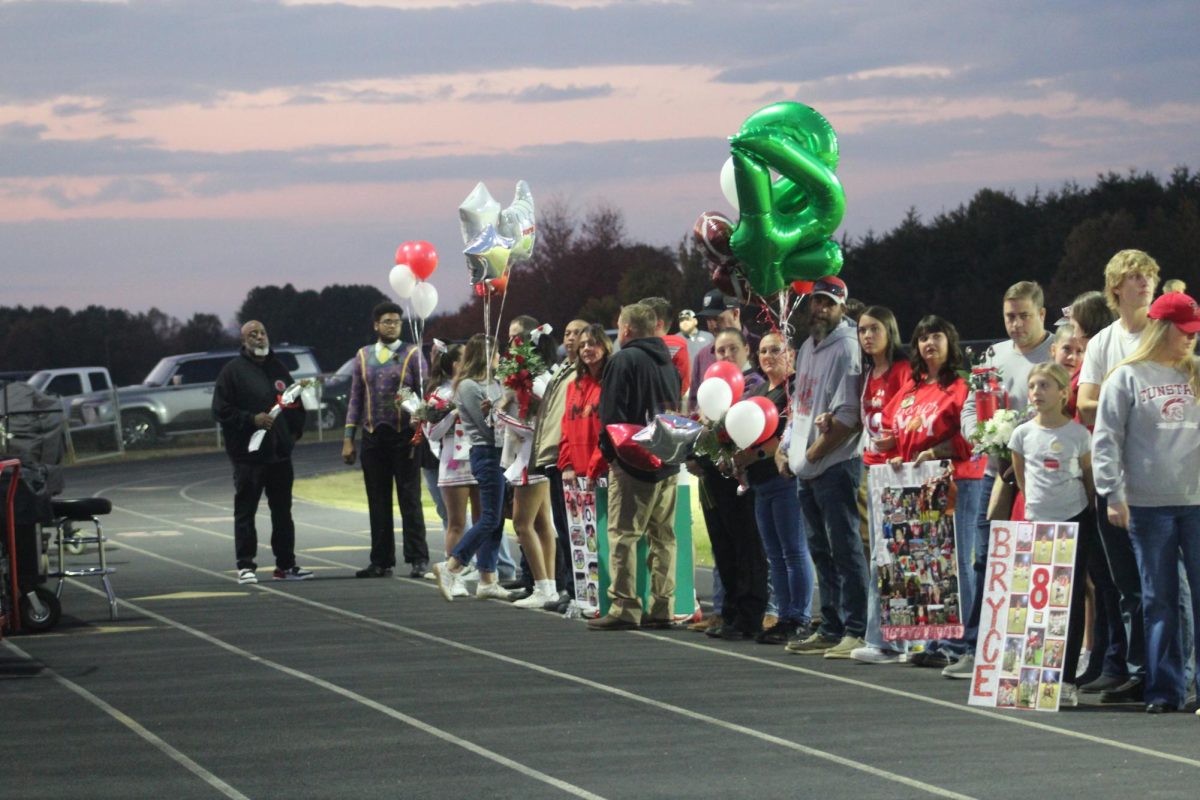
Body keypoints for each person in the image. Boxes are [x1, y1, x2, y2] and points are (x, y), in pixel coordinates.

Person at [1092, 291, 1200, 714]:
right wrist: (1113, 494)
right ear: (1162, 328)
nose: (1191, 338)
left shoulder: (1196, 372)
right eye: (1184, 331)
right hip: (1147, 505)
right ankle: (1164, 689)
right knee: (1158, 600)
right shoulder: (1127, 377)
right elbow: (1106, 440)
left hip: (1195, 501)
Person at [950, 281, 1054, 677]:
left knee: (1033, 563)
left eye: (1024, 315)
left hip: (1041, 480)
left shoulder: (1056, 354)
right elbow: (971, 408)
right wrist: (983, 438)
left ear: (1042, 314)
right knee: (986, 560)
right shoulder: (994, 355)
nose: (1016, 324)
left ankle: (1029, 647)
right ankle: (978, 647)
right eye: (1010, 316)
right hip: (996, 475)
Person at [1075, 249, 1161, 703]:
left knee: (1165, 585)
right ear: (1115, 289)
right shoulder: (1104, 341)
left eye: (1149, 275)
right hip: (1114, 476)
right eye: (1134, 277)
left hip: (1160, 475)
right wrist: (1123, 403)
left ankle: (1168, 672)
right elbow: (1084, 403)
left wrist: (1116, 404)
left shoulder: (1165, 335)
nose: (1144, 282)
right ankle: (1137, 669)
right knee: (1126, 584)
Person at [875, 315, 985, 667]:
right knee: (931, 567)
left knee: (957, 562)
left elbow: (969, 438)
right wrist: (893, 452)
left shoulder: (961, 386)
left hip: (959, 480)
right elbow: (896, 430)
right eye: (922, 338)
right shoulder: (912, 388)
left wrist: (936, 452)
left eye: (936, 336)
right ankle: (937, 638)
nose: (929, 344)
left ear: (950, 342)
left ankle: (963, 642)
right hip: (919, 485)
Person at [777, 276, 869, 659]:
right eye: (816, 302)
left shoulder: (848, 348)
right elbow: (799, 403)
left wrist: (814, 452)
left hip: (835, 464)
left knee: (844, 548)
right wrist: (785, 447)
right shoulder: (807, 348)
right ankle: (830, 625)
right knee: (820, 550)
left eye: (829, 303)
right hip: (807, 465)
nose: (821, 309)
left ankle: (855, 628)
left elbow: (850, 414)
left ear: (842, 308)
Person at [588, 303, 683, 630]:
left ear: (626, 329)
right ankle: (663, 605)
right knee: (664, 537)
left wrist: (612, 457)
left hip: (634, 462)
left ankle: (625, 605)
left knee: (624, 534)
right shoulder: (669, 363)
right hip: (667, 459)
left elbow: (611, 416)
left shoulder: (623, 360)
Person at [1008, 362, 1096, 706]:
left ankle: (1066, 679)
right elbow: (1021, 478)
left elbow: (1088, 481)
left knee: (1069, 603)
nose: (1037, 393)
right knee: (1035, 603)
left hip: (1074, 521)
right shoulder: (1022, 434)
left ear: (1063, 393)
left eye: (1045, 386)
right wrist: (1033, 512)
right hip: (1037, 524)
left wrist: (1086, 514)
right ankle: (1032, 676)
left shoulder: (1078, 435)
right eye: (1033, 386)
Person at [212, 320, 313, 584]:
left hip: (279, 455)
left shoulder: (279, 368)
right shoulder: (232, 372)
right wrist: (250, 419)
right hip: (248, 456)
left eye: (263, 333)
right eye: (252, 334)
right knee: (246, 511)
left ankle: (286, 566)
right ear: (243, 341)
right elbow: (220, 411)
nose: (259, 338)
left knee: (283, 511)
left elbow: (296, 403)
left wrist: (292, 436)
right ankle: (245, 565)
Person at [734, 331, 812, 644]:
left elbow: (790, 434)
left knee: (793, 550)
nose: (768, 356)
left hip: (785, 479)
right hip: (761, 482)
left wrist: (752, 454)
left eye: (775, 350)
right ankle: (783, 615)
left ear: (790, 354)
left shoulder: (795, 389)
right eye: (763, 351)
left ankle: (800, 617)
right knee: (775, 555)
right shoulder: (761, 391)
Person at [691, 328, 769, 640]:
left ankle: (750, 615)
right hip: (712, 478)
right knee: (722, 547)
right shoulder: (711, 388)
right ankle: (731, 613)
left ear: (746, 350)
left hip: (742, 481)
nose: (725, 356)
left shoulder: (754, 386)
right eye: (720, 351)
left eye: (731, 349)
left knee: (746, 548)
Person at [342, 302, 429, 579]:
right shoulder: (363, 356)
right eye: (387, 321)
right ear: (376, 325)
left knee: (410, 498)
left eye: (397, 321)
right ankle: (381, 560)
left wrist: (421, 418)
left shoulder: (412, 354)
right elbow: (356, 397)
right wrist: (348, 438)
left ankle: (418, 558)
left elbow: (426, 392)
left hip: (405, 436)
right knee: (377, 500)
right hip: (372, 436)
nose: (393, 325)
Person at [851, 306, 910, 664]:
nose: (867, 336)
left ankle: (893, 640)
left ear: (889, 330)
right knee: (877, 555)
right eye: (862, 330)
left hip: (899, 472)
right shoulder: (869, 373)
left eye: (874, 329)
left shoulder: (903, 370)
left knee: (893, 556)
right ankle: (884, 637)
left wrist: (896, 438)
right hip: (873, 470)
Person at [433, 334, 512, 601]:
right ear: (486, 356)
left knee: (496, 519)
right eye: (497, 353)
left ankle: (487, 578)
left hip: (501, 455)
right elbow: (487, 429)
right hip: (487, 454)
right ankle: (453, 564)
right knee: (488, 517)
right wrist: (503, 407)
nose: (500, 358)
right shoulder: (467, 386)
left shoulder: (493, 382)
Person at [497, 323, 561, 609]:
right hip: (539, 458)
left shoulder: (533, 383)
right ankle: (549, 585)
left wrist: (501, 415)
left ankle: (544, 586)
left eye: (517, 349)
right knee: (542, 524)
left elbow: (535, 428)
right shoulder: (544, 378)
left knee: (523, 525)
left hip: (531, 459)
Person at [532, 318, 589, 610]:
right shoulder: (563, 369)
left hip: (568, 458)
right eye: (567, 333)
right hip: (554, 455)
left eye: (577, 333)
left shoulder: (584, 371)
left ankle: (577, 591)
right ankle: (571, 587)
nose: (570, 338)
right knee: (564, 527)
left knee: (573, 527)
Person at [424, 344, 479, 598]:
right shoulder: (441, 394)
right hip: (454, 464)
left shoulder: (478, 387)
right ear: (456, 364)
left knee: (484, 522)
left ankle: (488, 574)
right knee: (456, 523)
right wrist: (453, 414)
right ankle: (454, 577)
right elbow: (432, 433)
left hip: (480, 460)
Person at [558, 324, 611, 488]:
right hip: (575, 474)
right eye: (582, 345)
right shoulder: (573, 386)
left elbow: (608, 430)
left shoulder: (611, 383)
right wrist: (566, 464)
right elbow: (566, 428)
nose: (586, 349)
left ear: (604, 346)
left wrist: (594, 468)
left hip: (603, 471)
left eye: (592, 343)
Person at [641, 296, 692, 400]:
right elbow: (683, 387)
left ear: (658, 325)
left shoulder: (675, 345)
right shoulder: (679, 344)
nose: (635, 325)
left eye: (640, 321)